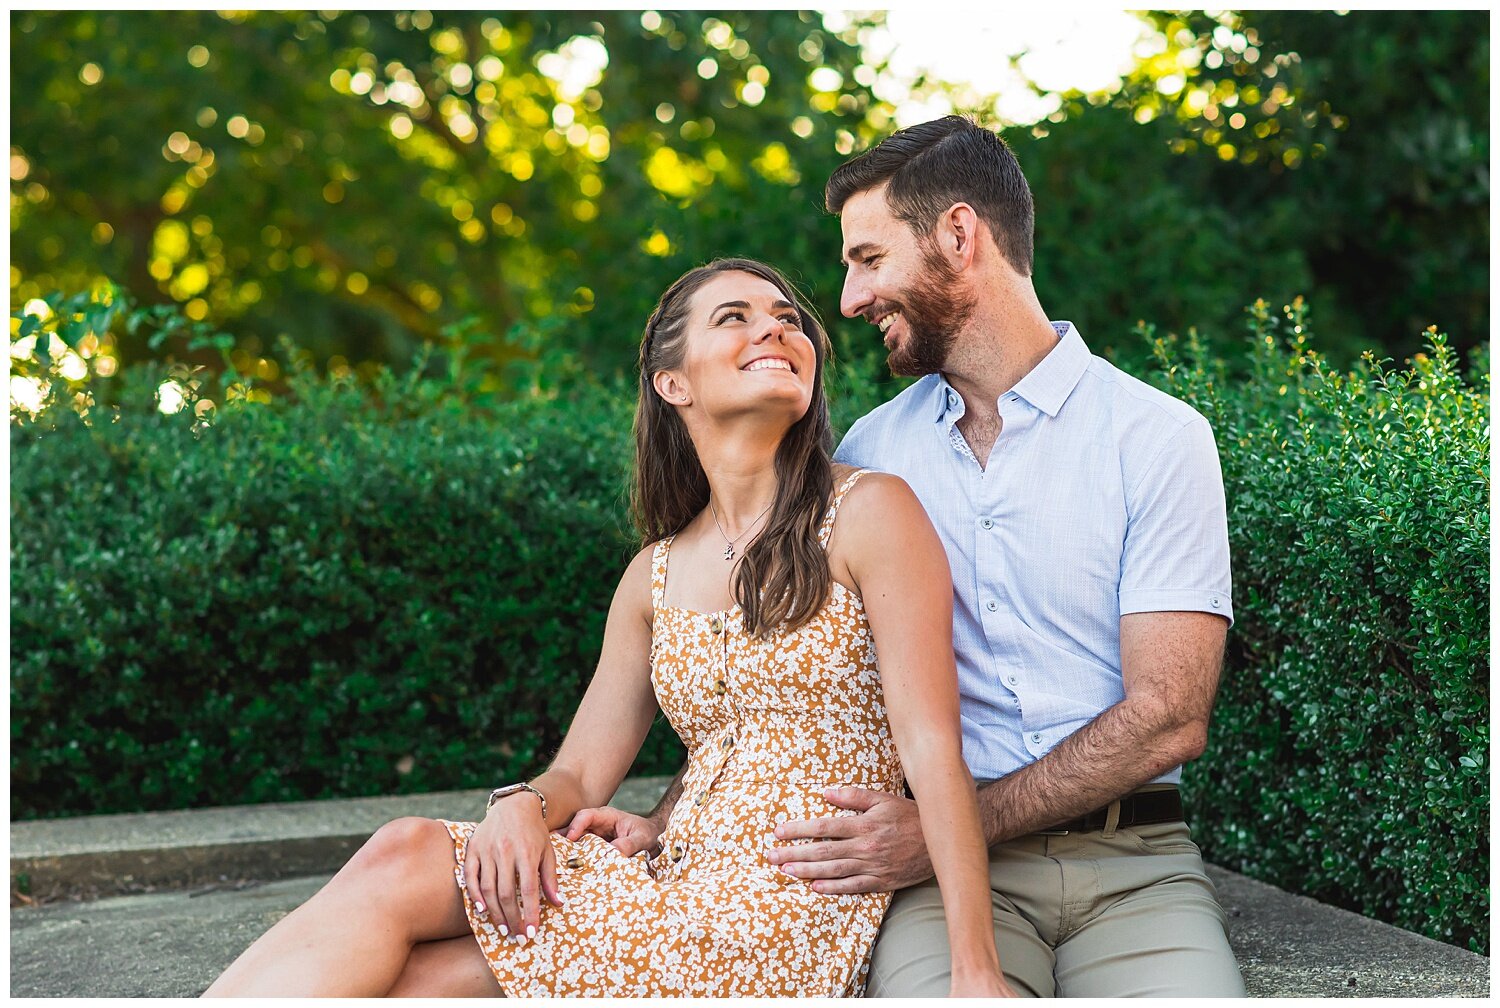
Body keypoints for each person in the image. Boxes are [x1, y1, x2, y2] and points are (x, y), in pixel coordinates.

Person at [203, 258, 1011, 998]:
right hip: (664, 877)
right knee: (414, 926)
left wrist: (975, 973)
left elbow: (933, 747)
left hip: (781, 913)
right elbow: (582, 776)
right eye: (733, 317)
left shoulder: (868, 511)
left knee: (417, 918)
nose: (776, 327)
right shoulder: (652, 576)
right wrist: (521, 805)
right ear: (673, 384)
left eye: (788, 317)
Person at [577, 116, 1247, 997]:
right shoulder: (872, 455)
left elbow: (1168, 716)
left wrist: (940, 824)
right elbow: (769, 685)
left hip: (1135, 865)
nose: (850, 300)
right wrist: (671, 818)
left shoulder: (1156, 438)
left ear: (959, 236)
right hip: (935, 881)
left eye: (868, 259)